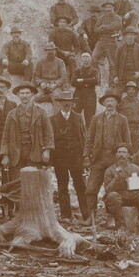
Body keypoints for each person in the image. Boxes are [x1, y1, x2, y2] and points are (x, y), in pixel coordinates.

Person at [85, 92, 132, 217]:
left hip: (115, 159)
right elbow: (89, 139)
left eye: (112, 101)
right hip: (99, 158)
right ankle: (91, 217)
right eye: (107, 101)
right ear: (103, 103)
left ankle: (111, 216)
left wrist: (126, 157)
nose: (109, 103)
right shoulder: (96, 118)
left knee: (114, 188)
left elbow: (127, 140)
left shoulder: (122, 119)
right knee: (91, 189)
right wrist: (86, 156)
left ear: (116, 103)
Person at [47, 90, 89, 221]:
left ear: (72, 103)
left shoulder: (78, 117)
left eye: (69, 102)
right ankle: (65, 215)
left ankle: (86, 214)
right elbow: (50, 139)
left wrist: (86, 156)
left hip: (76, 156)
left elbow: (84, 137)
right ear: (60, 103)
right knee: (62, 186)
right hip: (60, 157)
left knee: (81, 185)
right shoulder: (53, 119)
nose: (67, 104)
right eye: (64, 102)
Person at [1, 81, 53, 176]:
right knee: (17, 179)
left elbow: (48, 132)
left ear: (32, 95)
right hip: (16, 152)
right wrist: (5, 155)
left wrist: (47, 150)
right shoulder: (11, 114)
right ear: (18, 95)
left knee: (34, 179)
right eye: (22, 93)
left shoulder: (41, 112)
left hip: (35, 151)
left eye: (27, 93)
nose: (24, 96)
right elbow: (5, 136)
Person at [102, 144, 139, 232]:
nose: (121, 155)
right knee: (111, 196)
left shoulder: (135, 168)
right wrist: (116, 178)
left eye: (124, 152)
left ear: (128, 155)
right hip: (120, 196)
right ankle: (121, 224)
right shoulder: (110, 170)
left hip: (135, 195)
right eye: (119, 152)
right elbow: (107, 190)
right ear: (115, 155)